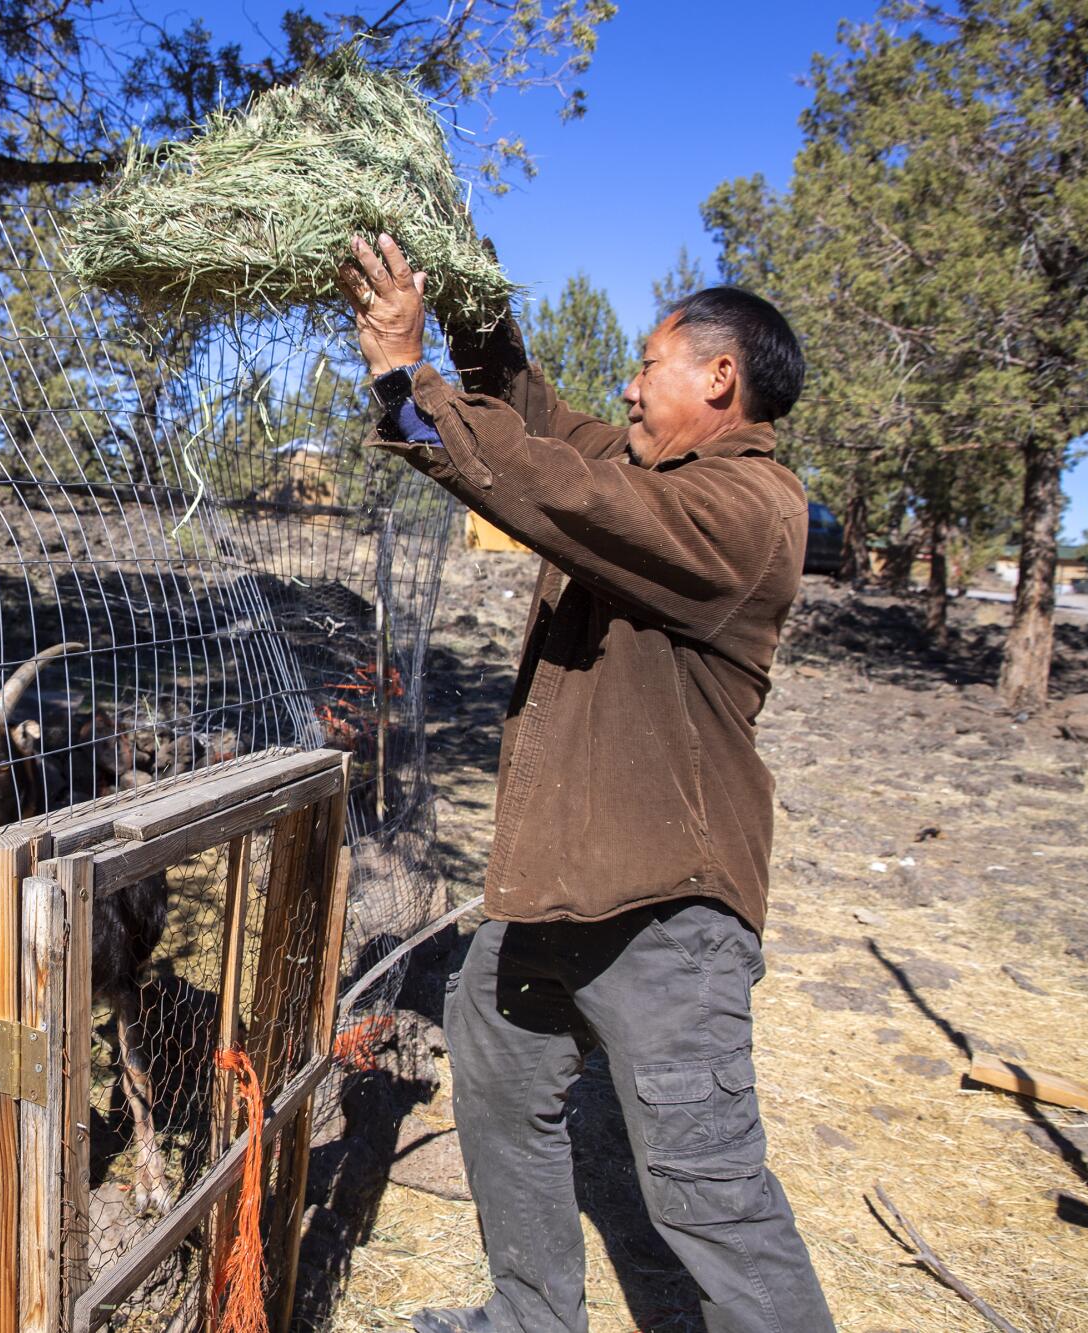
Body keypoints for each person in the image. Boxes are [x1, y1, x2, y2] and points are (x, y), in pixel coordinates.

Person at [335, 233, 834, 1333]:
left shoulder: (747, 508)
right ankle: (528, 1315)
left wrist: (406, 373)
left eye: (648, 361)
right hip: (555, 890)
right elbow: (538, 424)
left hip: (665, 909)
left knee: (705, 1187)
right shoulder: (650, 470)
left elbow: (552, 487)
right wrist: (471, 317)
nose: (626, 379)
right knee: (502, 1089)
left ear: (717, 376)